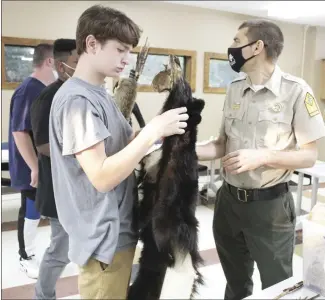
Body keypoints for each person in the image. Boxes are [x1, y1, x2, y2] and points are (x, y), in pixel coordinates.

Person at [48, 5, 188, 299]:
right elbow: (100, 176)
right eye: (120, 49)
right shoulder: (78, 102)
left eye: (130, 51)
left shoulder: (101, 95)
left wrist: (170, 141)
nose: (127, 59)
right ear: (91, 43)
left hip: (117, 234)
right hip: (103, 241)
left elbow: (123, 147)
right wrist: (152, 131)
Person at [196, 19, 325, 300]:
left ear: (257, 47)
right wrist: (181, 148)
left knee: (277, 286)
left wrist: (262, 156)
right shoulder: (234, 88)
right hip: (228, 203)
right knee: (236, 284)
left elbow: (309, 156)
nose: (231, 48)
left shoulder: (296, 91)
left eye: (236, 40)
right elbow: (221, 145)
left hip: (270, 209)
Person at [30, 38, 79, 299]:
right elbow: (43, 145)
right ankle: (43, 294)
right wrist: (81, 153)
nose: (81, 67)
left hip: (79, 188)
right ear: (61, 66)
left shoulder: (78, 94)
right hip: (57, 189)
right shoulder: (48, 98)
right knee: (60, 250)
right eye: (75, 62)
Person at [8, 43, 55, 279]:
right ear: (49, 62)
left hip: (43, 164)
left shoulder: (44, 89)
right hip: (30, 167)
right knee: (30, 210)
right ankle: (25, 256)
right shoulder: (29, 90)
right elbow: (20, 132)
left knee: (41, 210)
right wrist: (34, 167)